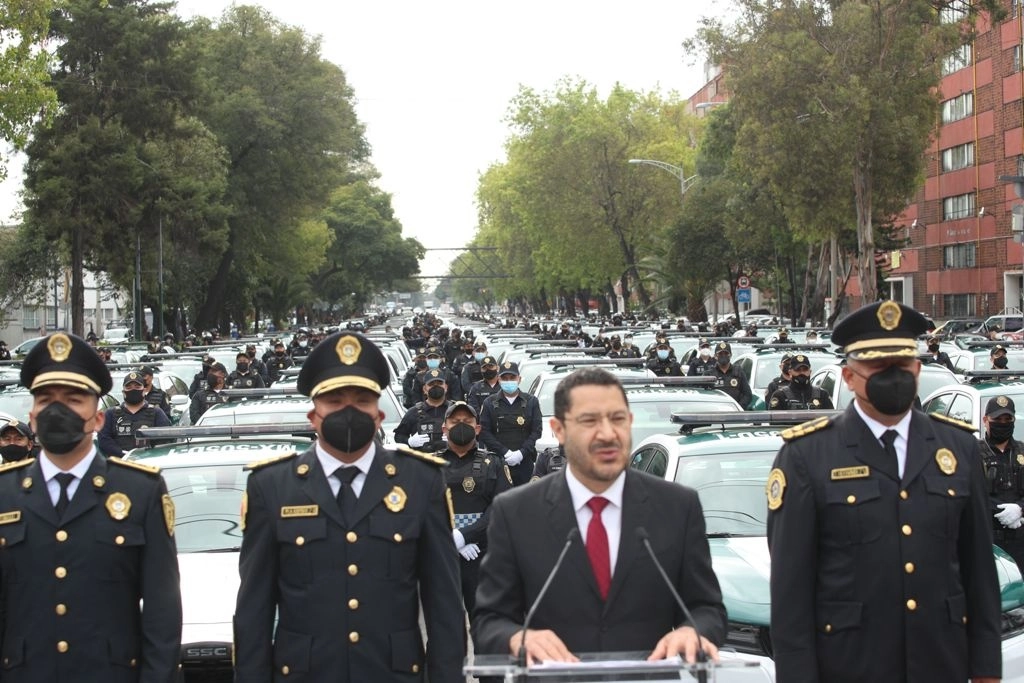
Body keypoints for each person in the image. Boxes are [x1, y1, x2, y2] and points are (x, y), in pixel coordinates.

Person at [766, 301, 1001, 683]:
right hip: (849, 665)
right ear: (849, 376)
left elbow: (979, 572)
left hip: (941, 663)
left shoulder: (959, 449)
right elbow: (791, 591)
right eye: (878, 367)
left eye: (902, 366)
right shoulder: (807, 456)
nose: (893, 377)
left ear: (918, 369)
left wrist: (987, 671)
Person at [233, 331, 465, 682]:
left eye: (361, 400)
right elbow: (254, 611)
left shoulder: (420, 481)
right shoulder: (271, 487)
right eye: (335, 400)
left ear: (378, 415)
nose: (349, 410)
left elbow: (444, 606)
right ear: (313, 416)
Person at [473, 367, 727, 663]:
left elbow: (708, 610)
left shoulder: (678, 506)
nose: (607, 434)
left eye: (617, 419)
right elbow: (488, 622)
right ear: (559, 430)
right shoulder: (515, 512)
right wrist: (517, 637)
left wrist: (692, 631)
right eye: (589, 421)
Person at [0, 332, 181, 680]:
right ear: (33, 417)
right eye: (46, 399)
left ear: (98, 419)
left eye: (73, 399)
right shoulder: (5, 493)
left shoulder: (140, 493)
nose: (58, 410)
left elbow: (163, 616)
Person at [440, 401, 512, 615]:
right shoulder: (430, 465)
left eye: (467, 421)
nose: (461, 425)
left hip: (482, 554)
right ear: (444, 429)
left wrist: (465, 536)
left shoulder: (494, 463)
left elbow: (501, 505)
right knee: (444, 623)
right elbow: (422, 509)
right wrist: (450, 538)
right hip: (443, 554)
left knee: (485, 622)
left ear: (478, 428)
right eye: (455, 422)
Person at [478, 362, 543, 487]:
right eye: (505, 378)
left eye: (512, 378)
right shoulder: (489, 403)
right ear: (498, 379)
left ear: (519, 379)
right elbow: (484, 432)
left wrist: (521, 453)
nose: (509, 381)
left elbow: (536, 431)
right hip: (498, 462)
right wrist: (505, 452)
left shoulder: (531, 402)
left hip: (524, 462)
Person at [980, 395, 1024, 570]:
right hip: (989, 542)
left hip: (1020, 541)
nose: (1003, 423)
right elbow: (969, 494)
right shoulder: (973, 452)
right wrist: (999, 509)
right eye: (997, 419)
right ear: (985, 420)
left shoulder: (1022, 450)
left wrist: (1020, 509)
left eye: (1008, 419)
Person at [97, 371, 171, 456]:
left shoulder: (156, 412)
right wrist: (124, 454)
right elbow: (104, 440)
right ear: (123, 392)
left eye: (137, 387)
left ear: (144, 390)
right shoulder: (110, 414)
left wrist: (148, 454)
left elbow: (166, 439)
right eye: (129, 387)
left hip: (149, 463)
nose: (133, 390)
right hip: (120, 464)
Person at [393, 370, 453, 453]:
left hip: (451, 462)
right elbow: (398, 436)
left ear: (446, 387)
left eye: (439, 383)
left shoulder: (456, 411)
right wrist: (409, 441)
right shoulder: (413, 412)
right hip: (422, 462)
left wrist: (457, 439)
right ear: (425, 389)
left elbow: (473, 435)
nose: (436, 387)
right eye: (431, 384)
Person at [768, 354, 833, 410]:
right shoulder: (780, 396)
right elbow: (774, 422)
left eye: (805, 370)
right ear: (790, 373)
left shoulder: (822, 395)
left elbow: (831, 420)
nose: (802, 373)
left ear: (810, 372)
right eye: (798, 370)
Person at [710, 341, 752, 409]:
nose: (723, 356)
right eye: (720, 354)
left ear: (731, 355)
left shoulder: (739, 372)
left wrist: (738, 408)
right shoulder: (709, 374)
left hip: (735, 414)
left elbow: (747, 395)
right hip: (715, 413)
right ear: (715, 356)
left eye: (726, 353)